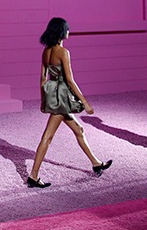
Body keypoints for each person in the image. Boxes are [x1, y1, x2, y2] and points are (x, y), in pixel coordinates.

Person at [28, 17, 112, 188]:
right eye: (67, 29)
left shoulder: (46, 52)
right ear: (61, 31)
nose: (69, 31)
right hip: (61, 97)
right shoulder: (63, 52)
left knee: (79, 130)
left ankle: (96, 163)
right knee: (47, 137)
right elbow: (70, 81)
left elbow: (43, 79)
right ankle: (33, 176)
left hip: (54, 96)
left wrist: (44, 101)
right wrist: (85, 103)